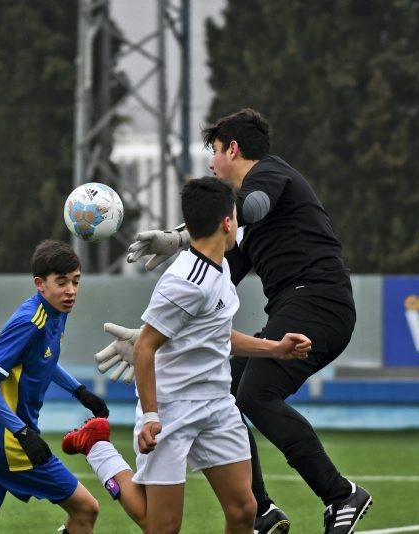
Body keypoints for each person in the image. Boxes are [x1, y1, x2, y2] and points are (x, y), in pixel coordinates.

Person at [98, 109, 372, 534]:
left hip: (318, 301)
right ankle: (259, 509)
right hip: (297, 305)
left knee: (257, 393)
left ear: (233, 148)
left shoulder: (269, 176)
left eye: (214, 151)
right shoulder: (237, 226)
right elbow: (212, 279)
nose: (211, 163)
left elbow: (252, 208)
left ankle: (340, 495)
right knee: (230, 385)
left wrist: (178, 235)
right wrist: (151, 335)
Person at [63, 177, 312, 534]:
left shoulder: (221, 266)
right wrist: (150, 414)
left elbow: (216, 335)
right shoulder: (186, 281)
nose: (239, 225)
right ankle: (99, 450)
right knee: (160, 526)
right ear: (227, 222)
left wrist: (275, 349)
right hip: (172, 408)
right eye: (236, 218)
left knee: (244, 511)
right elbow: (145, 346)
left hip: (217, 405)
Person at [0, 239, 109, 534]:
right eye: (61, 282)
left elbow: (41, 360)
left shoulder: (56, 312)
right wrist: (22, 432)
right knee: (86, 509)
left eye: (76, 281)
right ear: (40, 283)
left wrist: (79, 391)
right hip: (9, 444)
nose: (71, 291)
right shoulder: (30, 322)